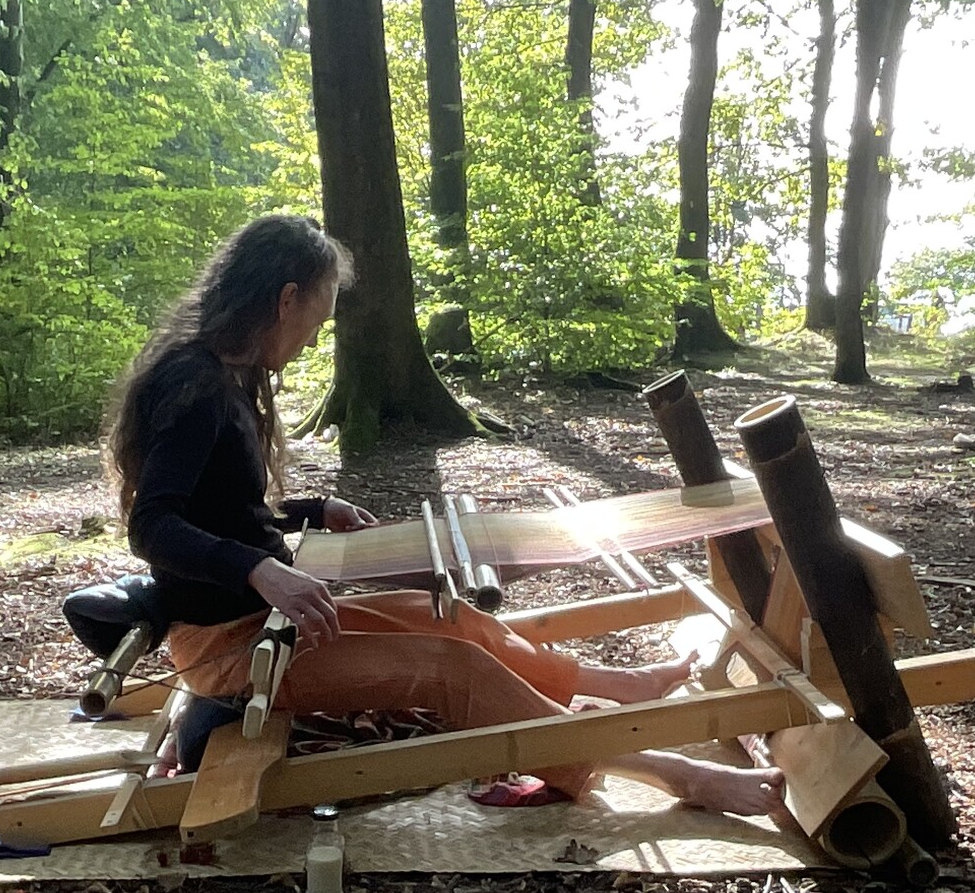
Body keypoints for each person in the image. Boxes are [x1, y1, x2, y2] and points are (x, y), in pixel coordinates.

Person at [102, 213, 785, 817]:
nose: (314, 339)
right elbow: (154, 526)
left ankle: (613, 686)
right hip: (229, 650)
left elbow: (222, 505)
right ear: (285, 300)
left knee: (451, 618)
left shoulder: (223, 375)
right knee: (453, 670)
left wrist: (310, 509)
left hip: (262, 622)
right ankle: (673, 774)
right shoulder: (195, 386)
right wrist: (262, 571)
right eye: (318, 317)